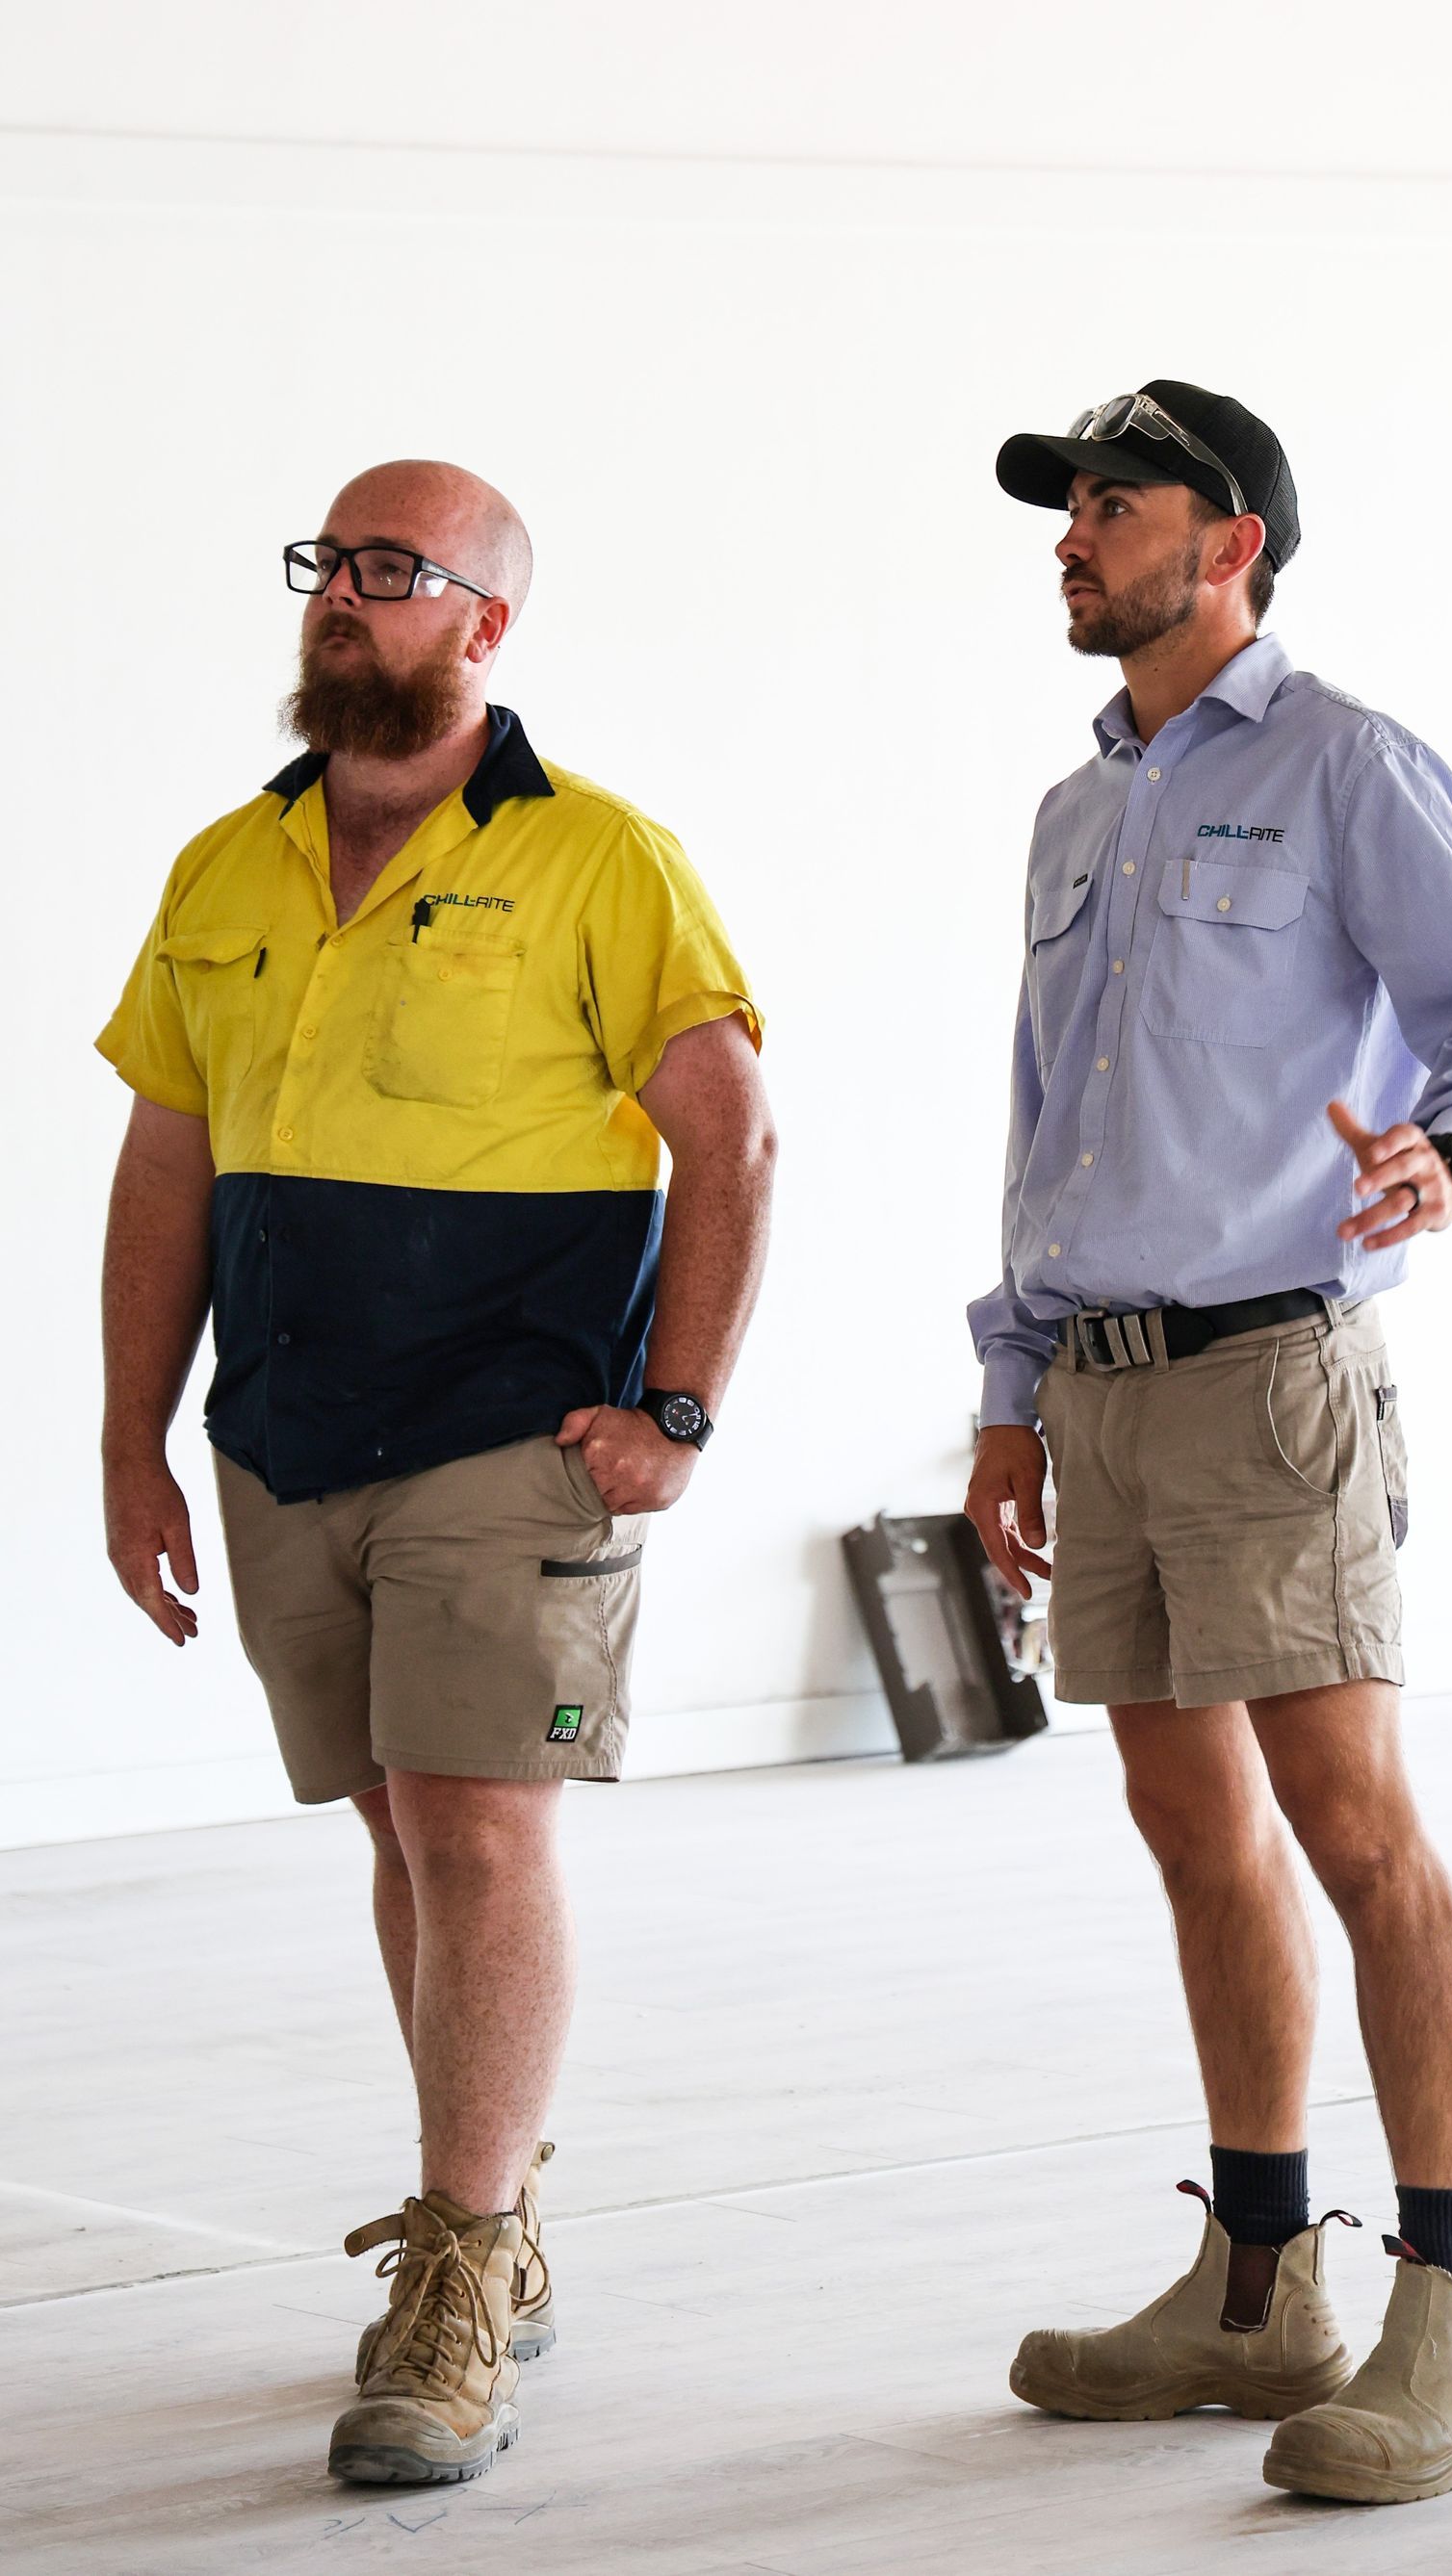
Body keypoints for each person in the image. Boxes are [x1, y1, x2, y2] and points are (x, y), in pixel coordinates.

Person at [96, 460, 774, 2489]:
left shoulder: (598, 859)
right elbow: (166, 1166)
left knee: (479, 1834)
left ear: (488, 623)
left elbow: (731, 1136)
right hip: (287, 1443)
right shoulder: (230, 863)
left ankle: (462, 2273)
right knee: (400, 1833)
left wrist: (677, 1411)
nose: (343, 599)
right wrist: (128, 1433)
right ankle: (495, 2209)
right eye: (327, 564)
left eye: (392, 572)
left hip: (505, 1436)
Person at [965, 382, 1452, 2507]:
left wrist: (1451, 1154)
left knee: (1350, 1821)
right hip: (1106, 1388)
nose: (1071, 537)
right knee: (1189, 1827)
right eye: (1068, 508)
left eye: (1110, 504)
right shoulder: (1078, 808)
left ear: (1229, 540)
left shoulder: (1348, 766)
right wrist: (1012, 1392)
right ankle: (1253, 2293)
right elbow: (1047, 1125)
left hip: (1276, 1372)